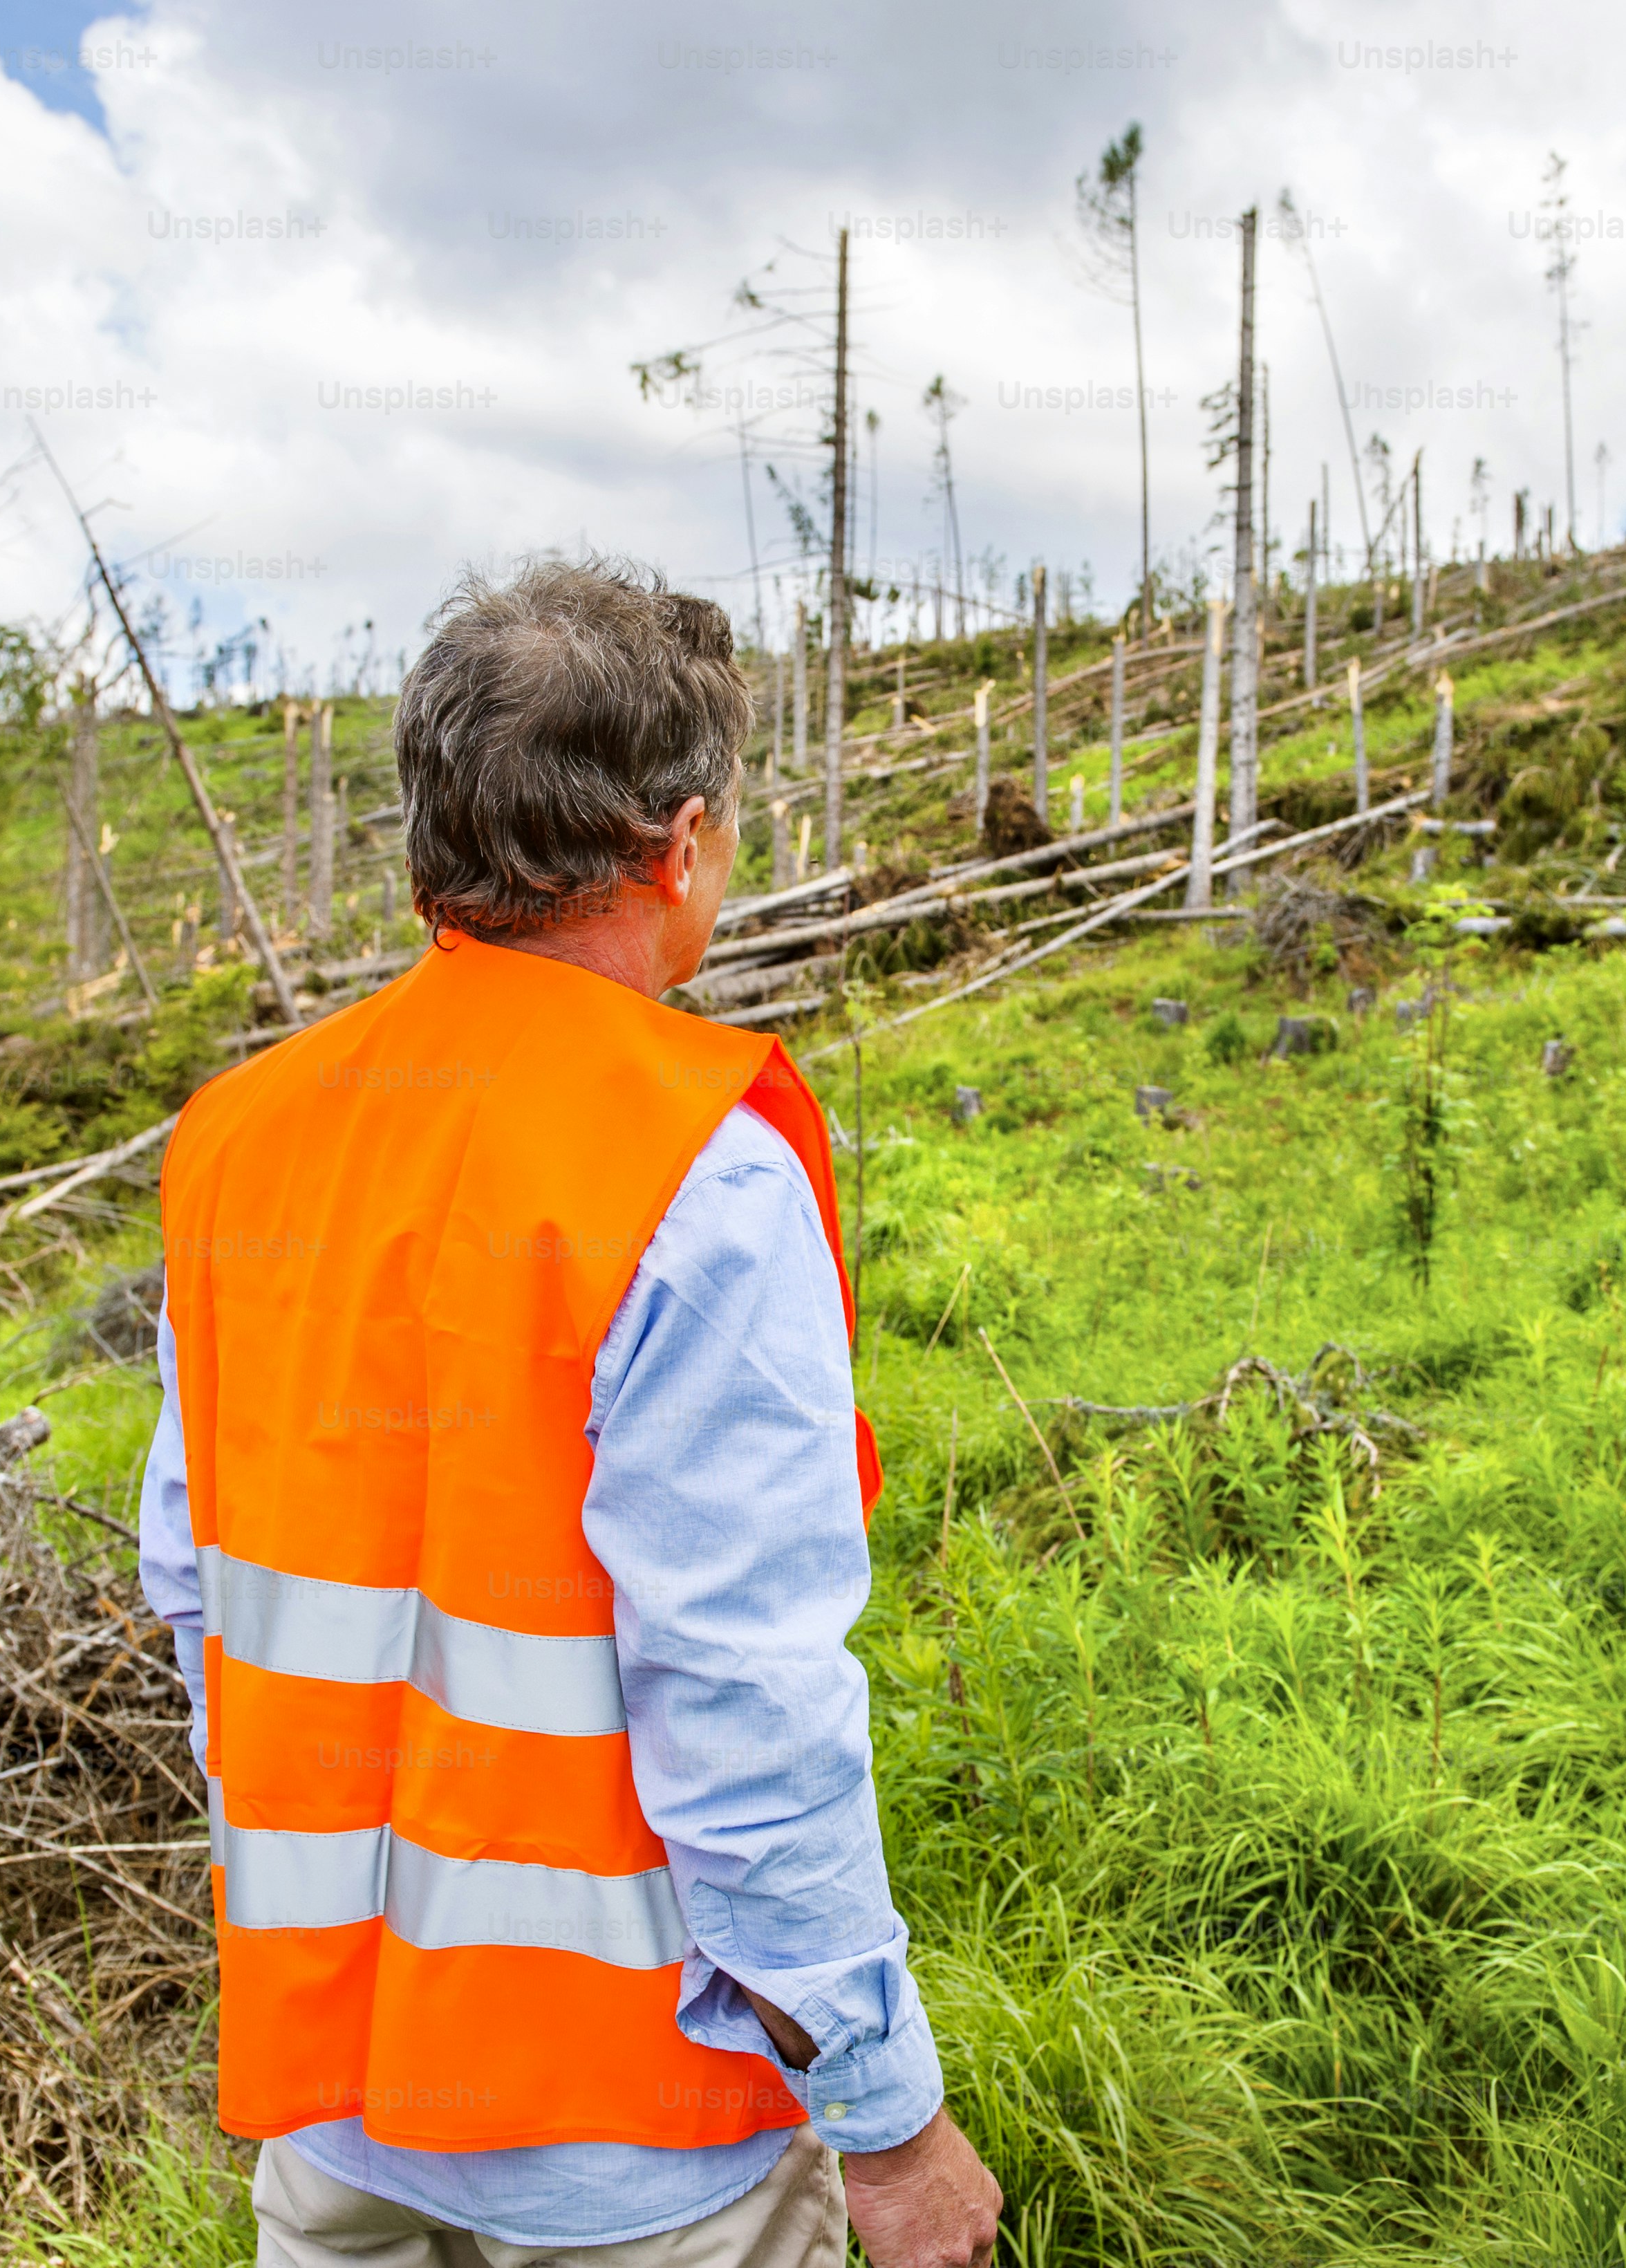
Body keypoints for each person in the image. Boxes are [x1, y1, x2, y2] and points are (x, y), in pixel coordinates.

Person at [138, 560, 1002, 2268]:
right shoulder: (696, 1167)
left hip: (335, 2102)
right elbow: (744, 1702)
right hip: (628, 2140)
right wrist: (889, 2125)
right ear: (680, 845)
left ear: (430, 843)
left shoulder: (240, 1140)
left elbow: (199, 1595)